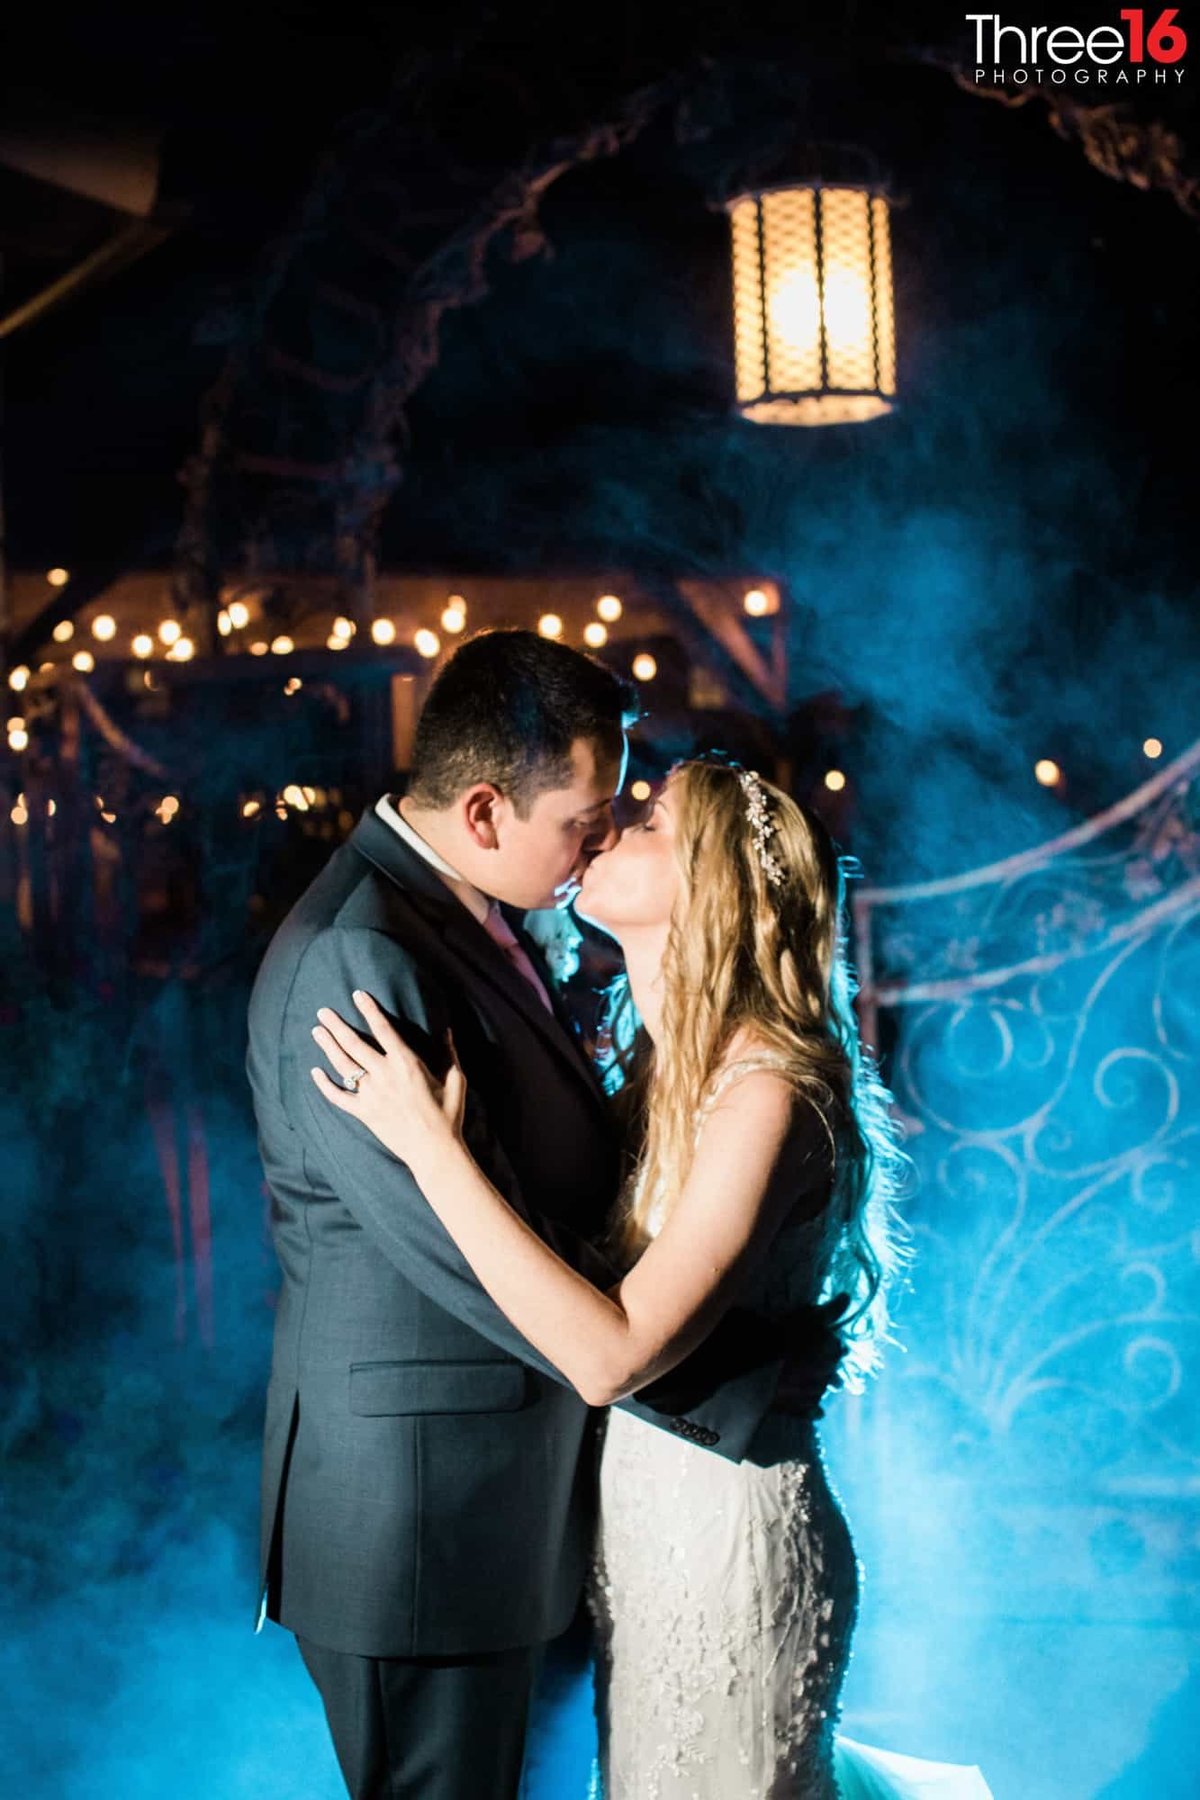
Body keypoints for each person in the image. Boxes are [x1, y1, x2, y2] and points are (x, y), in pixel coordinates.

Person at [312, 756, 997, 1799]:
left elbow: (612, 1353)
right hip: (642, 1540)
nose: (611, 831)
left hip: (726, 1552)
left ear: (715, 883)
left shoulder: (769, 1090)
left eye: (652, 823)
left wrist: (429, 1148)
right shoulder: (662, 1071)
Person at [246, 633, 844, 1800]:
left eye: (635, 815)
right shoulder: (363, 957)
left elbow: (590, 1252)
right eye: (588, 815)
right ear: (482, 813)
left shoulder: (500, 932)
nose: (603, 834)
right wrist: (714, 1366)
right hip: (430, 1527)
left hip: (583, 1515)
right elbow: (500, 1282)